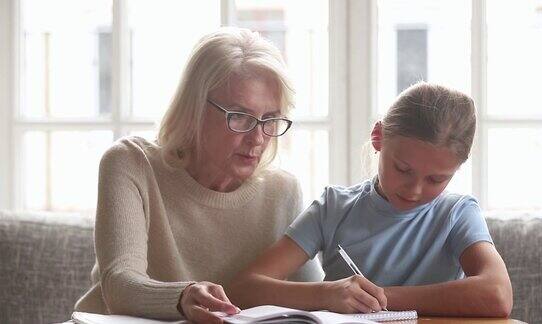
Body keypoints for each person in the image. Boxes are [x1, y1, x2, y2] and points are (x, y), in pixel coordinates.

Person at [74, 27, 323, 323]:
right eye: (239, 116)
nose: (258, 138)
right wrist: (182, 297)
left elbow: (313, 294)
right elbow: (119, 285)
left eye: (270, 119)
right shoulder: (131, 162)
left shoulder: (282, 191)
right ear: (194, 109)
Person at [227, 82, 513, 317]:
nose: (414, 190)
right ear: (378, 137)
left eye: (435, 180)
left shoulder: (457, 213)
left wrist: (378, 297)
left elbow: (497, 295)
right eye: (403, 169)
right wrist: (328, 294)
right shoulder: (332, 208)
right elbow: (243, 288)